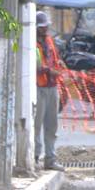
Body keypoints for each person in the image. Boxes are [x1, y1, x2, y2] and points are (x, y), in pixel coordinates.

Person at [35, 11, 64, 171]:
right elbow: (36, 66)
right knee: (37, 125)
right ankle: (34, 157)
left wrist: (59, 63)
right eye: (42, 27)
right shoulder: (32, 44)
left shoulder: (49, 41)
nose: (45, 29)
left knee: (52, 126)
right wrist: (48, 71)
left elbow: (55, 58)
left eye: (46, 26)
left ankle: (50, 159)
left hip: (52, 87)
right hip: (39, 87)